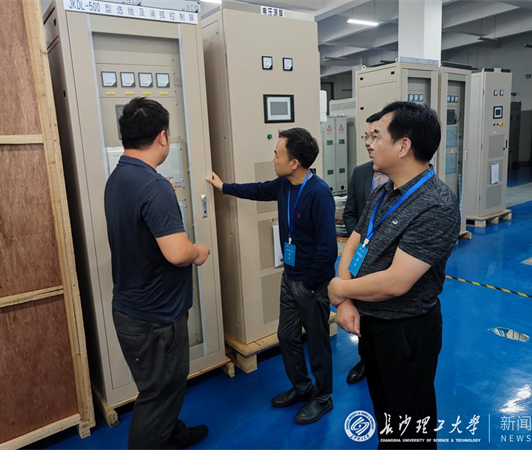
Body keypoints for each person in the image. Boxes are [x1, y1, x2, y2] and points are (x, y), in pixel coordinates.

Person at [328, 101, 460, 449]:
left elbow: (396, 282)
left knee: (410, 424)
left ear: (403, 146)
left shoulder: (436, 204)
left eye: (376, 136)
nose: (369, 144)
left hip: (406, 331)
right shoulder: (383, 191)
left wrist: (340, 288)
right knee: (386, 414)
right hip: (370, 321)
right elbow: (353, 244)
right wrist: (346, 301)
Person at [206, 128, 337, 425]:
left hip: (311, 283)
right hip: (289, 277)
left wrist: (311, 284)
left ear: (294, 163)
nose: (273, 159)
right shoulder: (283, 185)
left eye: (277, 154)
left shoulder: (319, 194)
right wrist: (224, 186)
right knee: (286, 336)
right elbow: (255, 190)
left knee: (317, 343)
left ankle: (323, 397)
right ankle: (302, 387)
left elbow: (328, 249)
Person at [105, 97, 211, 449]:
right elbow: (178, 253)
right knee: (159, 393)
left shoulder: (119, 178)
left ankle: (171, 434)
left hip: (132, 310)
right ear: (162, 137)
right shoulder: (154, 186)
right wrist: (198, 252)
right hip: (156, 318)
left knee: (163, 386)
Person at [342, 111, 388, 384]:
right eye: (366, 137)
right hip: (361, 254)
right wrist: (359, 240)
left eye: (375, 137)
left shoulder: (403, 181)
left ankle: (384, 360)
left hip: (390, 260)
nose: (369, 143)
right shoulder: (360, 173)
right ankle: (365, 359)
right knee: (362, 308)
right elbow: (350, 213)